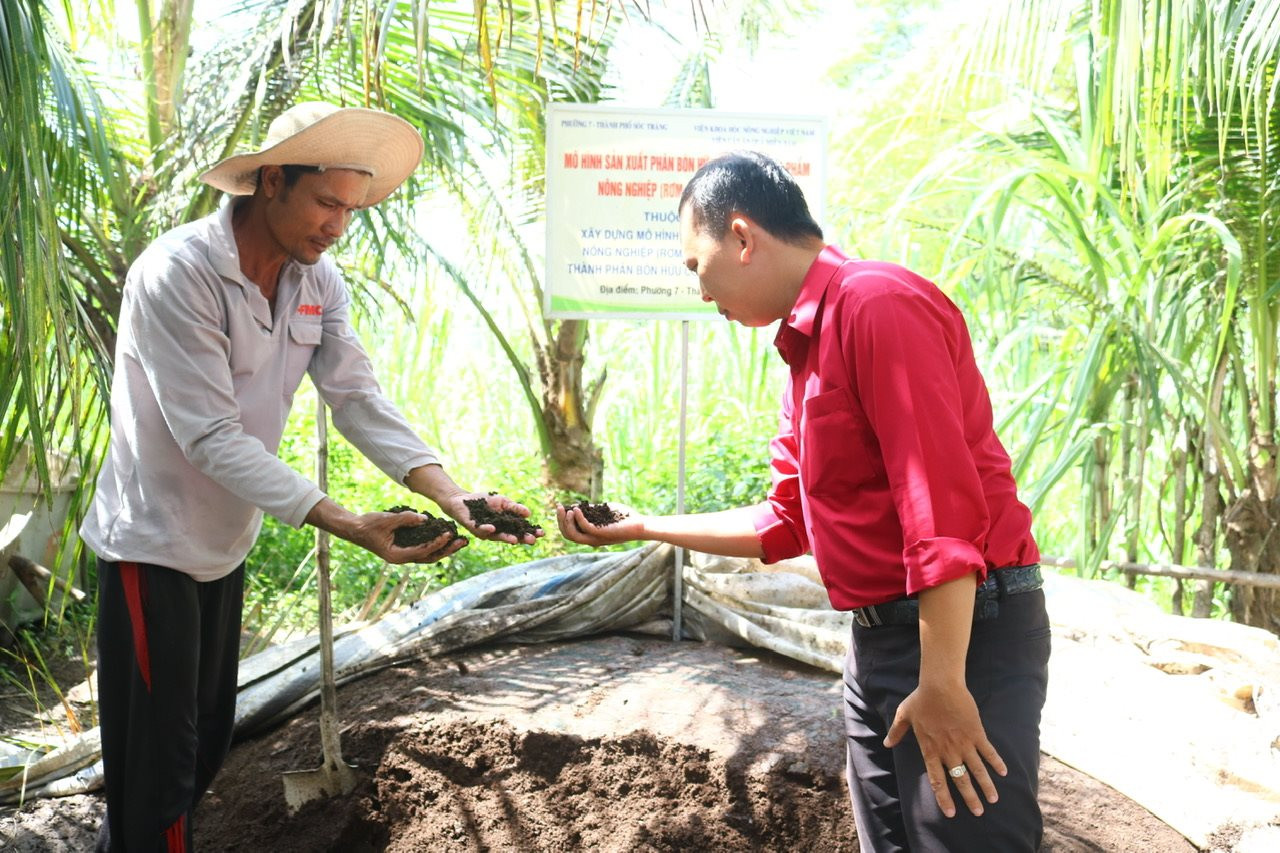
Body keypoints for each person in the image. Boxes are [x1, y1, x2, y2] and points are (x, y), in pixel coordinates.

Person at [81, 101, 542, 852]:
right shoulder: (179, 272)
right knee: (160, 778)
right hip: (152, 546)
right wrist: (350, 523)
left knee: (195, 757)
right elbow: (210, 437)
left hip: (223, 549)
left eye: (350, 210)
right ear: (270, 182)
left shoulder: (317, 283)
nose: (337, 227)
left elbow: (357, 397)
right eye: (327, 202)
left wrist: (453, 494)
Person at [557, 151, 1048, 852]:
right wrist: (641, 527)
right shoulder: (805, 348)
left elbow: (937, 510)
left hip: (961, 638)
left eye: (695, 265)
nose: (700, 292)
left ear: (742, 237)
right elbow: (784, 522)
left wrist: (943, 680)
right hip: (879, 641)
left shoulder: (875, 304)